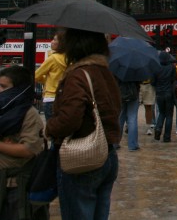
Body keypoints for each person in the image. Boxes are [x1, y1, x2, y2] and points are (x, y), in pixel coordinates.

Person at [46, 28, 121, 220]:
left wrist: (48, 128)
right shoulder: (105, 72)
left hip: (83, 155)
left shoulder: (78, 75)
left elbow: (69, 119)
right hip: (108, 154)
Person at [0, 65, 47, 220]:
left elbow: (28, 149)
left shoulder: (29, 114)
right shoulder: (1, 112)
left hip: (20, 186)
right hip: (1, 183)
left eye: (3, 86)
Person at [34, 33, 67, 121]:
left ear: (60, 43)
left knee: (51, 128)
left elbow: (36, 75)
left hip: (51, 97)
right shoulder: (69, 59)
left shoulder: (53, 58)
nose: (51, 41)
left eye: (55, 39)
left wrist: (46, 80)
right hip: (65, 97)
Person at [152, 51, 177, 142]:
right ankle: (167, 137)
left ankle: (158, 128)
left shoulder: (156, 68)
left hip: (159, 93)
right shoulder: (172, 68)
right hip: (169, 93)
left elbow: (152, 82)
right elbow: (175, 80)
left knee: (161, 113)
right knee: (169, 115)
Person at [117, 77, 140, 151]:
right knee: (132, 119)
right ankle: (132, 144)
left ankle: (115, 143)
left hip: (120, 94)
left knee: (120, 118)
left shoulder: (118, 68)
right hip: (133, 94)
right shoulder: (135, 68)